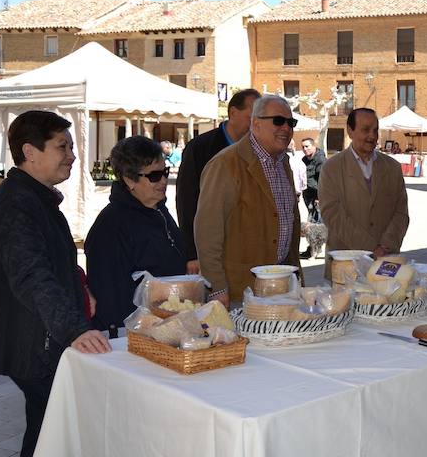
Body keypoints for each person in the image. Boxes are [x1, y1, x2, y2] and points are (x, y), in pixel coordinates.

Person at [0, 111, 111, 457]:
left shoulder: (35, 198)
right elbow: (31, 274)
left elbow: (52, 261)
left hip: (40, 335)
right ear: (30, 152)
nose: (72, 156)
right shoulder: (17, 204)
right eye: (62, 147)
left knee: (47, 425)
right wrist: (75, 328)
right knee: (52, 426)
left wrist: (80, 287)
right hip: (30, 339)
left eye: (72, 146)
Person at [194, 94, 303, 306]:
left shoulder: (283, 163)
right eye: (278, 121)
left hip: (282, 287)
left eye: (291, 123)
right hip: (241, 291)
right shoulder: (226, 164)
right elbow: (207, 230)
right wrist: (217, 287)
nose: (286, 128)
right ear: (256, 123)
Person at [86, 136, 188, 337]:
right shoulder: (111, 226)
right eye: (154, 176)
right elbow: (111, 296)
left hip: (166, 326)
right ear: (129, 180)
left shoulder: (158, 211)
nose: (164, 180)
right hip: (134, 335)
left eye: (165, 172)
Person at [176, 88, 260, 274]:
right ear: (233, 113)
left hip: (246, 251)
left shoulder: (258, 150)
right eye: (251, 117)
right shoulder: (200, 148)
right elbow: (186, 200)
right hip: (210, 249)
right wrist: (192, 253)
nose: (255, 124)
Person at [319, 108, 409, 279]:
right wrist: (371, 248)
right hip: (346, 266)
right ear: (350, 131)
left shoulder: (392, 168)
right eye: (366, 130)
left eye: (375, 130)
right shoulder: (331, 168)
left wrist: (386, 247)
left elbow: (401, 212)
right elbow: (333, 215)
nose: (372, 136)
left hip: (385, 262)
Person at [301, 137, 326, 224]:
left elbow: (324, 181)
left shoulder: (320, 160)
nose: (305, 149)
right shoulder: (304, 160)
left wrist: (319, 197)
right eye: (303, 147)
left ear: (314, 146)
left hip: (317, 197)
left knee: (318, 223)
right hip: (308, 195)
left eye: (307, 146)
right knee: (311, 220)